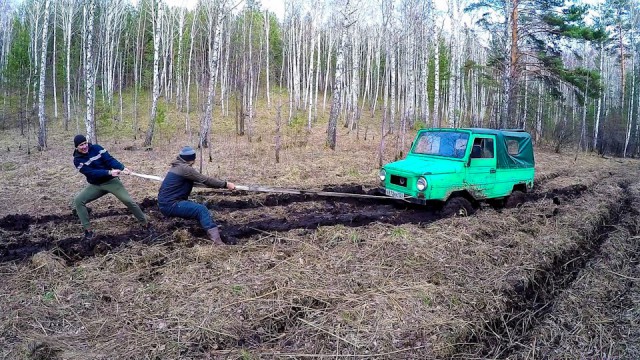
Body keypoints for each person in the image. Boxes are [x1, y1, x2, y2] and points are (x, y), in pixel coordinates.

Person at [72, 134, 150, 241]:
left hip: (111, 181)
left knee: (128, 201)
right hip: (96, 185)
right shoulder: (77, 160)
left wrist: (123, 168)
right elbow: (91, 173)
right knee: (78, 200)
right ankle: (88, 230)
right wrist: (108, 172)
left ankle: (145, 223)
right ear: (76, 147)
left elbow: (110, 160)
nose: (84, 146)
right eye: (81, 145)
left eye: (85, 143)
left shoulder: (97, 148)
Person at [157, 146, 236, 245]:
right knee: (201, 209)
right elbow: (205, 180)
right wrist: (226, 184)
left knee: (200, 206)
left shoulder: (177, 166)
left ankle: (206, 226)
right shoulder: (185, 169)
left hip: (165, 203)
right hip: (171, 205)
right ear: (192, 159)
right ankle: (217, 242)